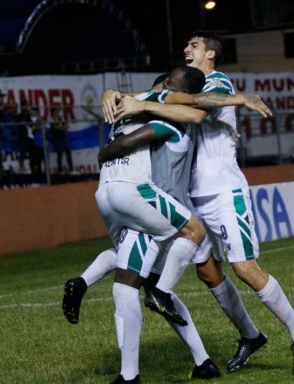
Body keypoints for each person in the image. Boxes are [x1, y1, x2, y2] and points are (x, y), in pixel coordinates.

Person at [106, 30, 294, 376]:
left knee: (244, 268)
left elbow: (201, 110)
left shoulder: (216, 82)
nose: (186, 49)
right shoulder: (181, 90)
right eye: (186, 45)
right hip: (193, 196)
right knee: (207, 270)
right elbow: (140, 97)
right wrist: (111, 93)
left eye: (194, 45)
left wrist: (148, 104)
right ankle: (250, 334)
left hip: (223, 191)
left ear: (210, 55)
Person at [89, 66, 212, 384]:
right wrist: (111, 94)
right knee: (134, 284)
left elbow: (188, 109)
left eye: (165, 82)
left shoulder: (166, 118)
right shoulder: (153, 109)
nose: (158, 84)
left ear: (170, 88)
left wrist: (105, 152)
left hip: (151, 206)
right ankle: (202, 361)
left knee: (128, 286)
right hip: (155, 210)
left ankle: (130, 373)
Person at [49, 106, 74, 175]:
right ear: (53, 112)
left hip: (64, 138)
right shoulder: (52, 120)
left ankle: (71, 169)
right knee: (60, 153)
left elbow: (66, 126)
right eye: (56, 111)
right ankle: (60, 169)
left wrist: (62, 127)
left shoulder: (60, 118)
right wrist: (62, 128)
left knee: (68, 153)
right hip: (57, 139)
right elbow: (57, 128)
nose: (57, 112)